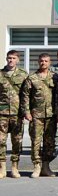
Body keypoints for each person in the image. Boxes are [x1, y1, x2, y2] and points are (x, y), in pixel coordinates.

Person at [20, 53, 57, 178]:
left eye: (46, 61)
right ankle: (37, 166)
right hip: (36, 115)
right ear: (38, 62)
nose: (43, 63)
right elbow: (25, 96)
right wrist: (27, 111)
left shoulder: (55, 77)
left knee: (49, 142)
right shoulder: (32, 78)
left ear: (50, 62)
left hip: (51, 115)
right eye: (41, 61)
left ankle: (46, 166)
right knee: (36, 141)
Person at [0, 50, 28, 178]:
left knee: (17, 141)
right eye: (9, 58)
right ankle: (2, 167)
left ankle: (15, 167)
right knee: (1, 141)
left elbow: (27, 94)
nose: (11, 60)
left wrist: (26, 110)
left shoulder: (23, 75)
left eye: (13, 58)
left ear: (18, 60)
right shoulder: (0, 74)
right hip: (2, 113)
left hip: (17, 113)